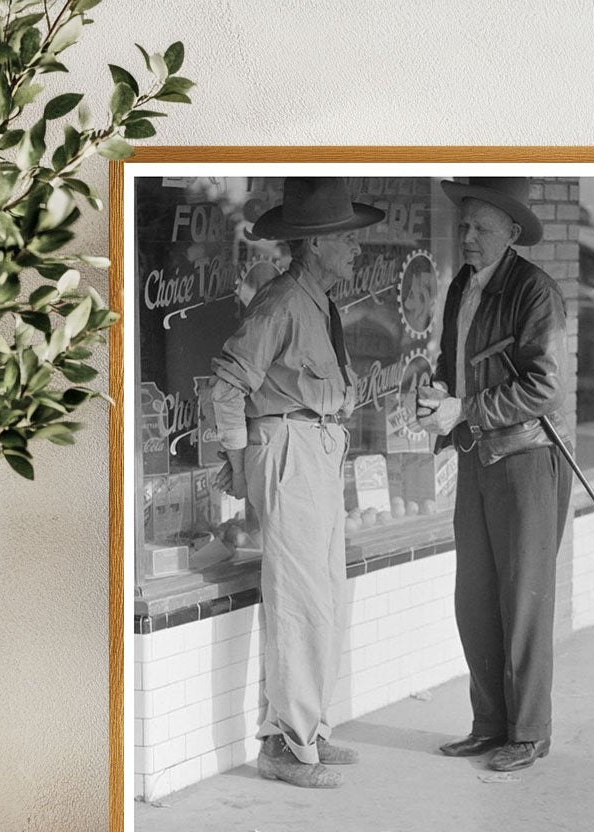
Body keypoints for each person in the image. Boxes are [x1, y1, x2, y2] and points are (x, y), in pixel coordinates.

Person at [210, 178, 384, 789]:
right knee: (302, 600)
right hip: (288, 448)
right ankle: (287, 745)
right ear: (315, 243)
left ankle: (308, 731)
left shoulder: (319, 304)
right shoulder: (283, 302)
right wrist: (237, 462)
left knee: (324, 597)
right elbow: (228, 384)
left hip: (316, 448)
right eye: (347, 241)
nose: (357, 250)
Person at [418, 178, 572, 772]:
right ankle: (489, 725)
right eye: (464, 226)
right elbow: (452, 363)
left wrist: (468, 410)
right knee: (474, 598)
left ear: (512, 232)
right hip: (475, 457)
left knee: (524, 602)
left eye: (482, 228)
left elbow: (545, 385)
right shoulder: (462, 285)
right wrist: (438, 398)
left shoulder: (536, 292)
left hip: (527, 462)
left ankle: (529, 732)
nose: (469, 237)